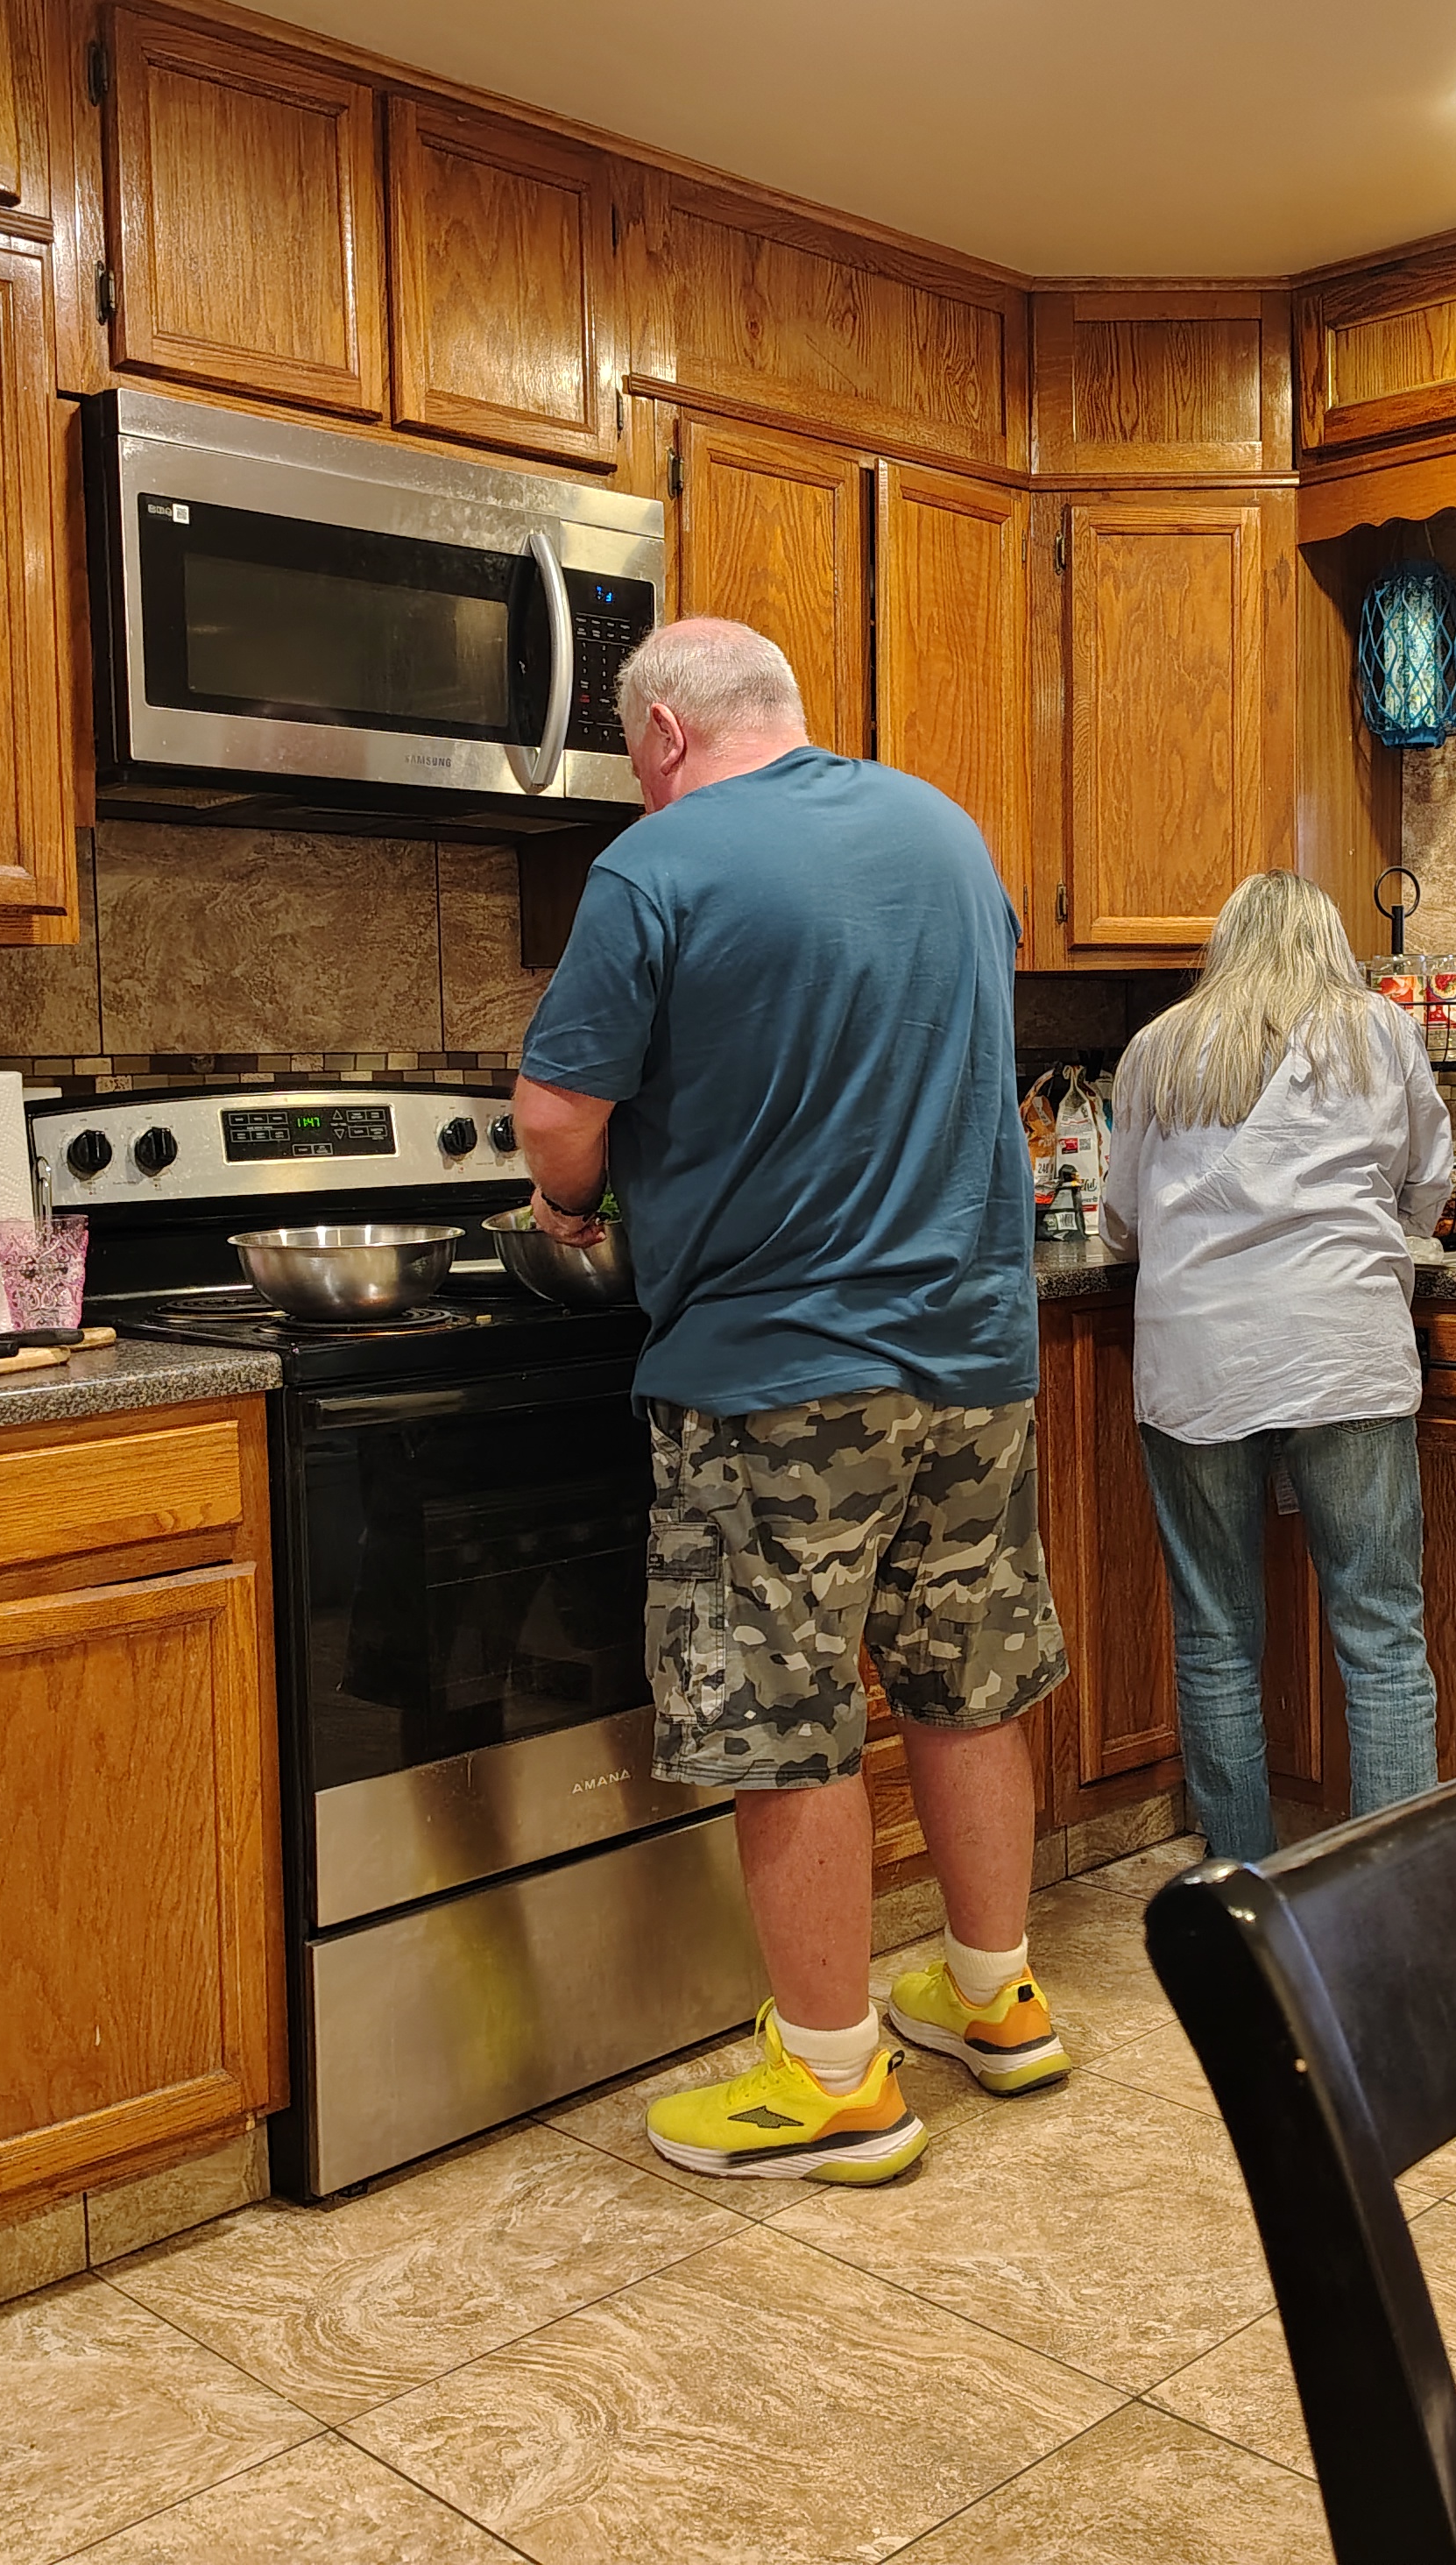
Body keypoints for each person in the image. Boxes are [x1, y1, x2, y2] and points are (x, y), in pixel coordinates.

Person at [512, 615, 1071, 2190]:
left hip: (778, 1368)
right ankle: (994, 1997)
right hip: (971, 1348)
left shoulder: (662, 863)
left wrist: (569, 1203)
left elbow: (561, 1115)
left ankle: (832, 2082)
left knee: (784, 1713)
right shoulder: (947, 832)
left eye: (636, 763)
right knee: (965, 1678)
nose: (640, 790)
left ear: (669, 736)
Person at [1099, 868, 1453, 1864]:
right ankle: (1390, 1891)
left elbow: (1121, 1222)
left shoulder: (1157, 1049)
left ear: (1222, 948)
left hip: (1198, 1361)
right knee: (1380, 1634)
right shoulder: (1378, 1031)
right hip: (1343, 1350)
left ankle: (1236, 1885)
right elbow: (1427, 1184)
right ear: (1331, 943)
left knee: (1216, 1637)